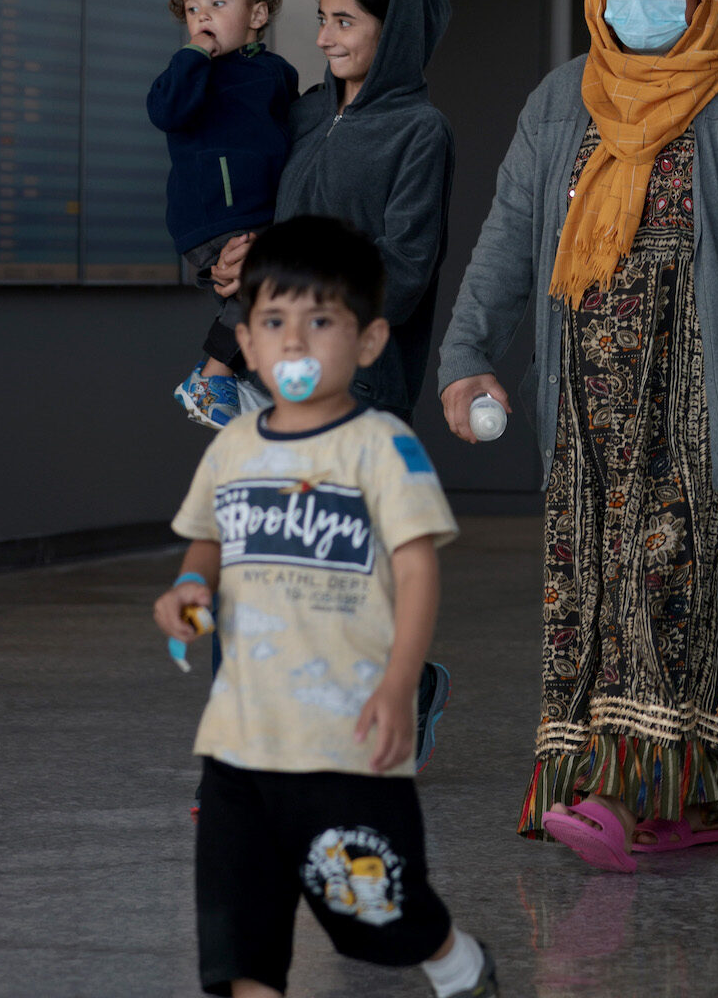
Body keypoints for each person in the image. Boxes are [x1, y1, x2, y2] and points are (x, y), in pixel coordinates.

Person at [437, 0, 718, 870]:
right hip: (589, 402)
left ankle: (622, 797)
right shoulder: (564, 97)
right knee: (596, 590)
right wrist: (466, 352)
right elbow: (505, 240)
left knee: (674, 589)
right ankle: (665, 800)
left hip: (701, 394)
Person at [153, 216, 498, 998]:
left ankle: (454, 959)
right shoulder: (236, 445)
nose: (294, 343)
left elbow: (416, 574)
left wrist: (397, 684)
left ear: (369, 341)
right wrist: (190, 587)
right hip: (240, 740)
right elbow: (208, 538)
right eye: (273, 322)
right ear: (247, 335)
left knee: (372, 910)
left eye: (321, 322)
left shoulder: (379, 448)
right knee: (241, 941)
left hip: (345, 737)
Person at [207, 0, 458, 771]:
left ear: (398, 31)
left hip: (362, 386)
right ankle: (262, 742)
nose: (325, 37)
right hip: (272, 380)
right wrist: (229, 262)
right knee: (261, 566)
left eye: (345, 21)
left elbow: (406, 269)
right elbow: (259, 216)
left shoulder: (421, 132)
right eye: (321, 18)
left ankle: (402, 687)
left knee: (347, 571)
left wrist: (314, 309)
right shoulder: (307, 114)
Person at [152, 0, 299, 430]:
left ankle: (241, 379)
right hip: (214, 216)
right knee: (266, 287)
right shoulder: (190, 73)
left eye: (217, 3)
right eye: (192, 8)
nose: (202, 17)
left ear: (257, 14)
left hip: (261, 214)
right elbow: (166, 112)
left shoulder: (276, 73)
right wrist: (194, 55)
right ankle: (212, 375)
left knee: (275, 298)